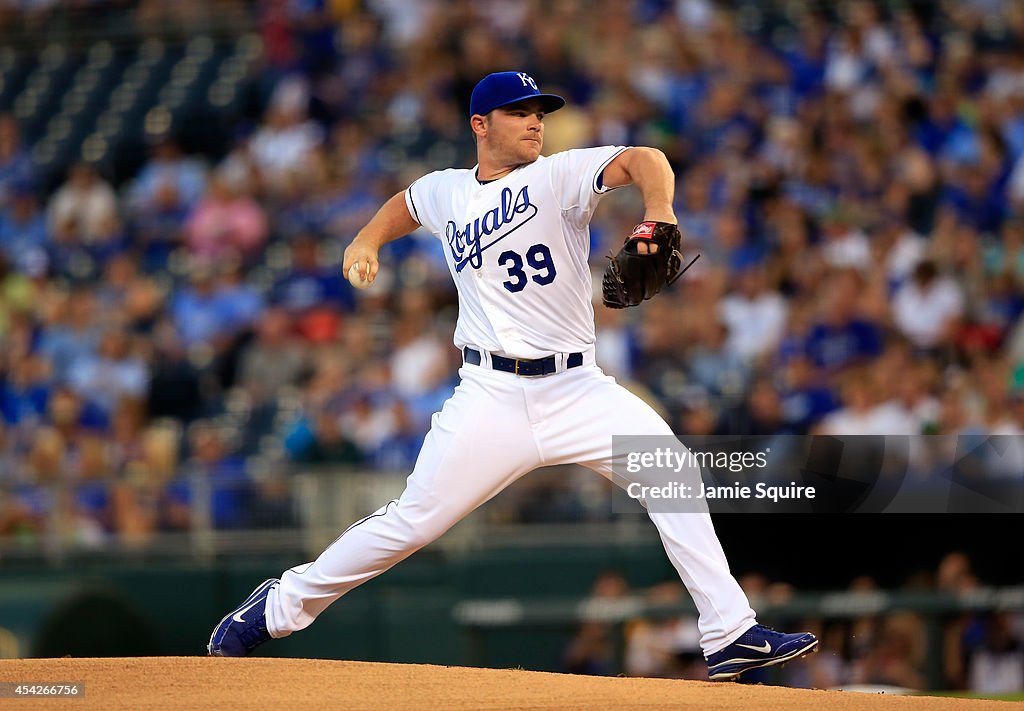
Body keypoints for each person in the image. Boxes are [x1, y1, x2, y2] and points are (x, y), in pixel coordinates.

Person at [208, 71, 819, 681]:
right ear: (480, 124)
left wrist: (658, 212)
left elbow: (645, 158)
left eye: (539, 112)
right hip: (491, 395)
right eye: (518, 111)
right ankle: (278, 608)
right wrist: (367, 240)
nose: (535, 121)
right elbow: (407, 204)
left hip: (578, 387)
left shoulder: (558, 176)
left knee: (671, 471)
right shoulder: (448, 191)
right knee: (413, 522)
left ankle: (730, 632)